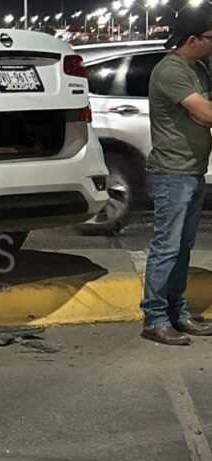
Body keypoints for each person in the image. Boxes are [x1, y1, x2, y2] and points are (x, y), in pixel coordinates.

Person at [140, 7, 212, 345]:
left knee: (183, 248)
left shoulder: (198, 70)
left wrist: (202, 114)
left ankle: (177, 313)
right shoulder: (170, 70)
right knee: (166, 247)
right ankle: (155, 318)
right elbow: (206, 113)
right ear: (193, 39)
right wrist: (202, 114)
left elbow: (204, 114)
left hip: (193, 170)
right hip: (172, 172)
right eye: (210, 38)